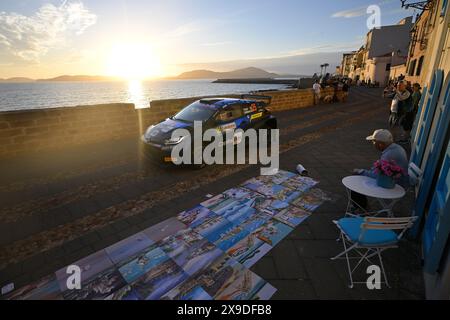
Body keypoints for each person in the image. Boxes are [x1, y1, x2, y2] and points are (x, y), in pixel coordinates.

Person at [351, 129, 409, 210]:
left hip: (393, 185)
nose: (373, 144)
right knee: (360, 176)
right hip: (397, 180)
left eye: (374, 142)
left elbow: (376, 175)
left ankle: (361, 208)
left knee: (355, 183)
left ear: (381, 144)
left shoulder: (389, 155)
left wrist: (361, 171)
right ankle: (362, 206)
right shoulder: (397, 147)